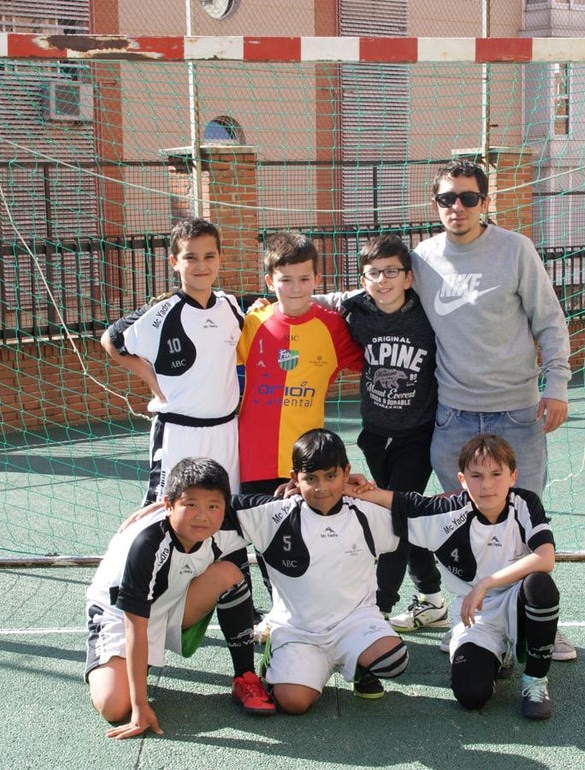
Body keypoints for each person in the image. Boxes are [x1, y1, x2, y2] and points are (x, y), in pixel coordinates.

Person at [411, 159, 576, 662]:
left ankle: (541, 624)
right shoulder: (422, 258)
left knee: (522, 525)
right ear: (435, 204)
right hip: (454, 416)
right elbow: (379, 292)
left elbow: (549, 320)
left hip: (517, 414)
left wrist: (559, 385)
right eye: (446, 199)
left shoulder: (515, 250)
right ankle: (470, 620)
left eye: (467, 198)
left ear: (485, 202)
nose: (456, 207)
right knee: (460, 526)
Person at [354, 434, 561, 719]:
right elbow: (401, 501)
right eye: (476, 476)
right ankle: (496, 655)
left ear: (513, 476)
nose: (487, 484)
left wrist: (486, 583)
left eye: (496, 474)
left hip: (517, 602)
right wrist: (347, 486)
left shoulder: (524, 503)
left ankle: (535, 680)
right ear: (462, 480)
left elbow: (545, 557)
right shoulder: (448, 513)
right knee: (471, 695)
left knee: (540, 584)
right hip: (474, 614)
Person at [84, 457, 275, 739]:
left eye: (213, 506)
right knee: (114, 706)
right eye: (191, 505)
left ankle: (244, 676)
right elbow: (134, 625)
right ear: (168, 504)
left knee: (229, 573)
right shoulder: (146, 544)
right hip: (120, 617)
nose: (202, 515)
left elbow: (295, 504)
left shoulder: (228, 519)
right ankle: (121, 664)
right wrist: (139, 706)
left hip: (171, 603)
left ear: (225, 505)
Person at [316, 234, 447, 632]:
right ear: (363, 279)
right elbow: (316, 300)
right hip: (375, 434)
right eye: (373, 273)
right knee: (400, 516)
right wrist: (263, 303)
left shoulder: (429, 313)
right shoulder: (356, 309)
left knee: (394, 516)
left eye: (391, 272)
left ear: (408, 277)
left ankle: (379, 610)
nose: (382, 280)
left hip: (417, 435)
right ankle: (433, 599)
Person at [227, 428, 409, 714]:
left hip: (354, 621)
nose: (321, 487)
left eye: (331, 476)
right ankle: (279, 659)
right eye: (310, 479)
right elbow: (220, 506)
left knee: (394, 660)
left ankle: (361, 666)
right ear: (294, 479)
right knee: (294, 704)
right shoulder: (275, 513)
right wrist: (160, 512)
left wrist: (370, 492)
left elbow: (418, 515)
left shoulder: (366, 512)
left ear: (347, 472)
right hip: (299, 629)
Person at [101, 217, 243, 504]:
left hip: (226, 429)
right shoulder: (163, 310)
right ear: (174, 261)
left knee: (224, 507)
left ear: (220, 259)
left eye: (208, 256)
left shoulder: (230, 305)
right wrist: (152, 380)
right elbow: (111, 340)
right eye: (190, 257)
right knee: (165, 509)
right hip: (179, 432)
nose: (201, 265)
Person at [236, 231, 363, 495]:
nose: (295, 288)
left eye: (304, 279)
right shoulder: (253, 322)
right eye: (286, 280)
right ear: (270, 282)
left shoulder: (333, 327)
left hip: (308, 463)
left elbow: (370, 365)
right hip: (253, 460)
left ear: (317, 279)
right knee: (258, 532)